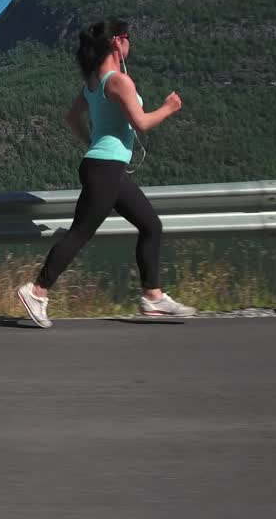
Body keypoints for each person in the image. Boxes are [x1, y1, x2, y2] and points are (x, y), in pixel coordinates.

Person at [16, 19, 195, 328]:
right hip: (106, 169)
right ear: (118, 41)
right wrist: (168, 108)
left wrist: (94, 144)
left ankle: (152, 297)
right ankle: (37, 291)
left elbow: (72, 118)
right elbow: (140, 123)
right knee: (80, 232)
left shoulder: (94, 81)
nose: (130, 44)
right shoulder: (119, 81)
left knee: (150, 225)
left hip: (105, 167)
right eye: (128, 38)